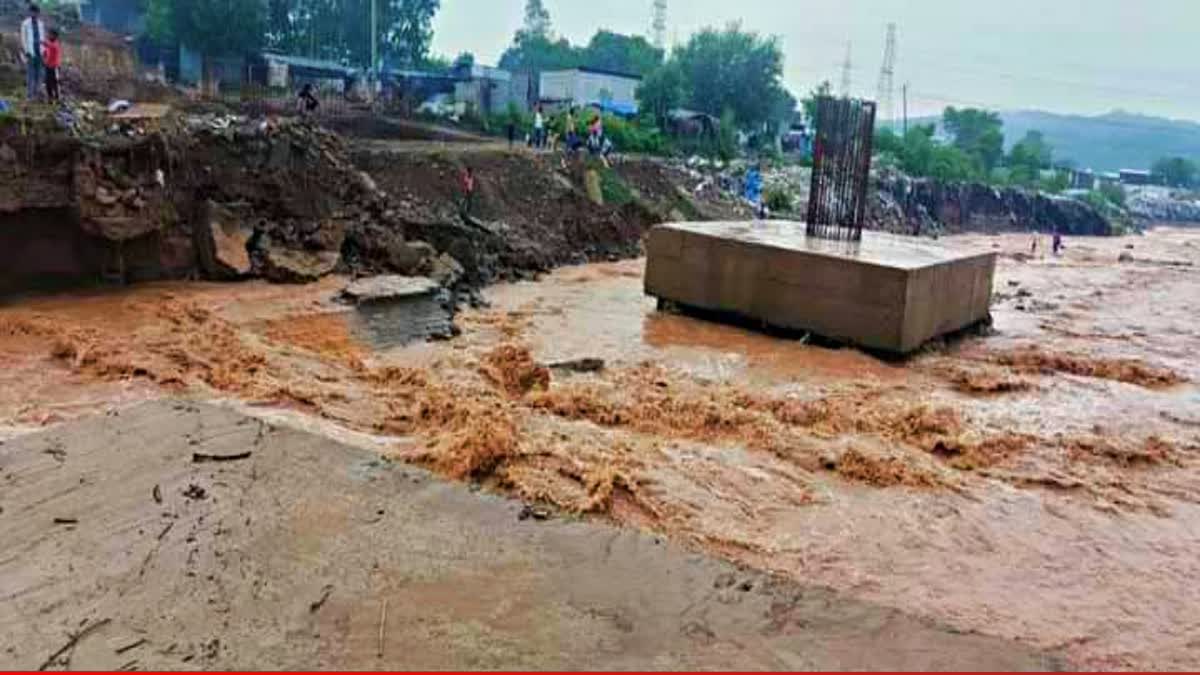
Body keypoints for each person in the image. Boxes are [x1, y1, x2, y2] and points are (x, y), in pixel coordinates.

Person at [20, 4, 46, 101]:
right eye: (32, 11)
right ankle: (29, 95)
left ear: (38, 13)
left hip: (40, 52)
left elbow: (42, 37)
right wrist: (26, 51)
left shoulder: (40, 23)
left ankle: (37, 93)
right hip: (31, 52)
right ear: (29, 12)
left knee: (39, 74)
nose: (33, 13)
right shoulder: (25, 24)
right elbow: (23, 38)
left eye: (35, 12)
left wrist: (44, 50)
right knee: (30, 74)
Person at [42, 27, 61, 103]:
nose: (48, 35)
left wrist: (42, 42)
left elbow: (51, 46)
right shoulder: (49, 43)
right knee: (48, 82)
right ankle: (50, 98)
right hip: (48, 66)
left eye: (50, 34)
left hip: (54, 67)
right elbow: (46, 51)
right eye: (48, 34)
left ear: (55, 36)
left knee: (55, 82)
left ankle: (57, 97)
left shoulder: (55, 44)